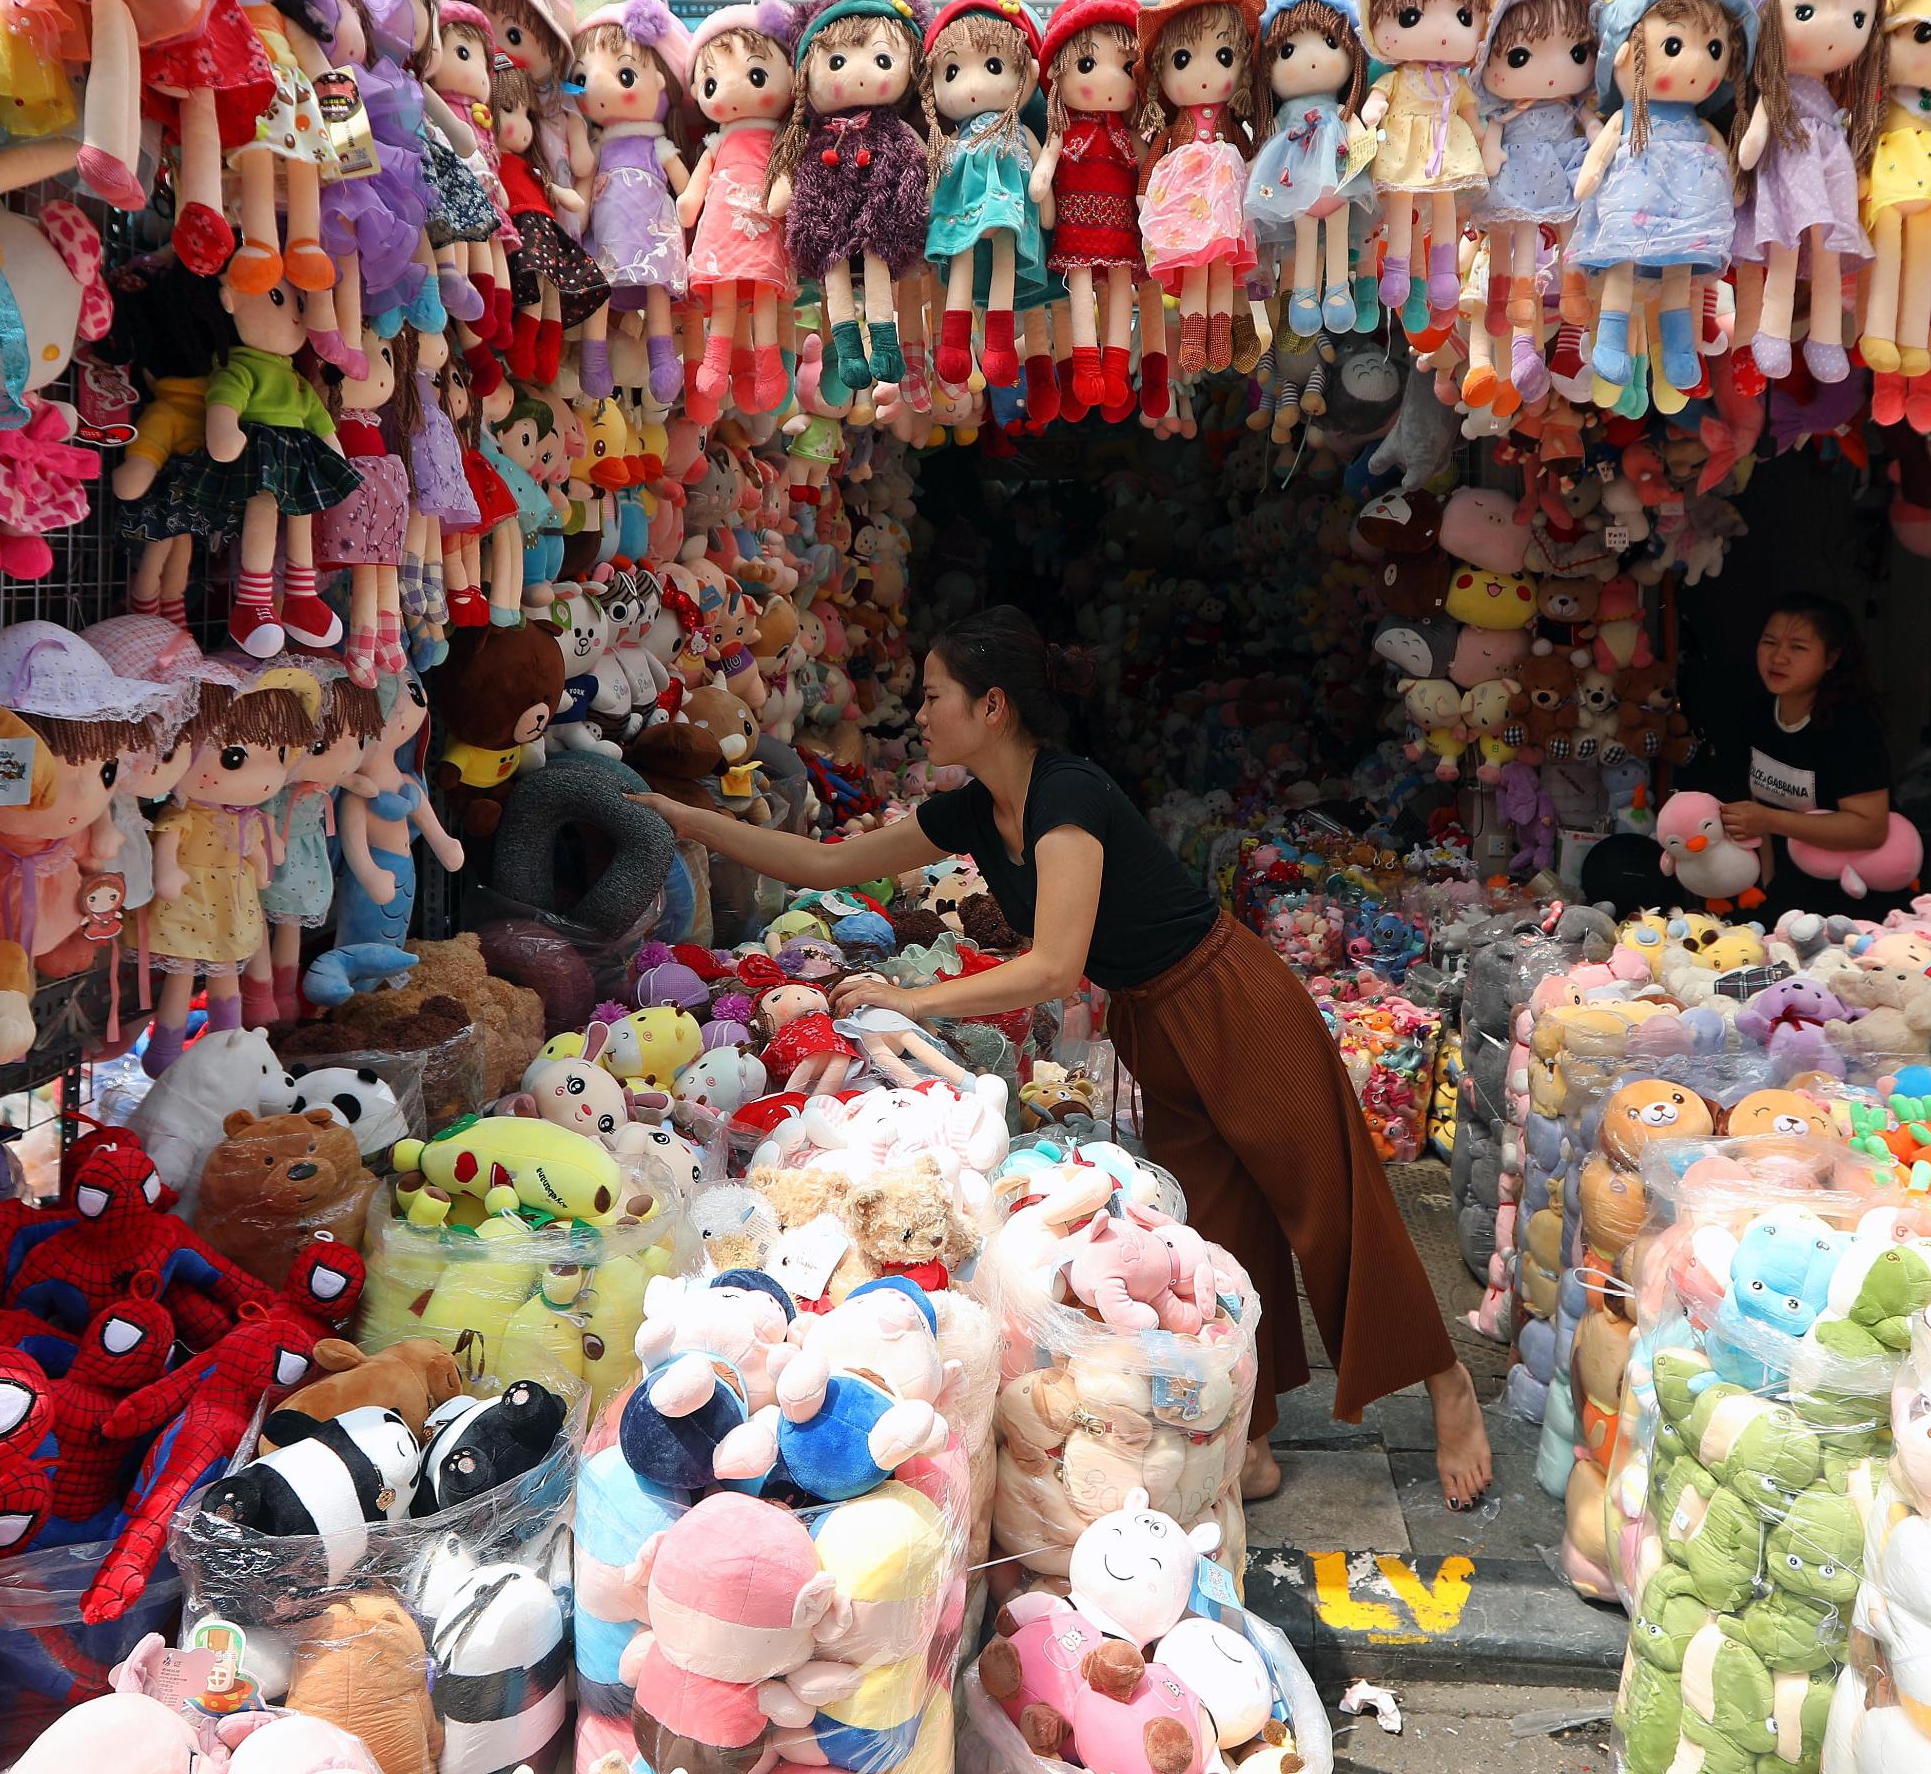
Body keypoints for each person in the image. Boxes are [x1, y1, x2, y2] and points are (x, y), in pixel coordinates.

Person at [639, 606, 1495, 1508]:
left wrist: (912, 1000)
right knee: (1217, 1227)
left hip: (1232, 1002)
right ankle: (1254, 1434)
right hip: (1157, 1022)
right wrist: (682, 820)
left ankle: (1447, 1386)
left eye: (934, 698)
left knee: (1330, 1203)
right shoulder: (977, 808)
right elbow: (822, 865)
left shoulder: (1067, 795)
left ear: (993, 705)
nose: (919, 715)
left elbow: (1054, 967)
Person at [1581, 592, 1894, 920]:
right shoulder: (1758, 713)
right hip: (1789, 896)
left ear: (1831, 658)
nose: (1778, 657)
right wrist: (1767, 891)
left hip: (1855, 901)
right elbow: (1760, 810)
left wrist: (1769, 820)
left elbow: (1869, 827)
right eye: (1770, 642)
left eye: (1797, 647)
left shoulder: (1851, 727)